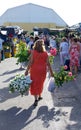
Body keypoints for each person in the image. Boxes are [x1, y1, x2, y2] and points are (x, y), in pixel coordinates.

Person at [25, 39, 54, 107]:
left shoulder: (33, 52)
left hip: (34, 70)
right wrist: (51, 72)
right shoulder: (45, 53)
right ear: (42, 45)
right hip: (42, 71)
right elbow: (48, 64)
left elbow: (30, 62)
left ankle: (36, 99)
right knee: (40, 83)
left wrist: (26, 70)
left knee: (34, 84)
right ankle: (40, 96)